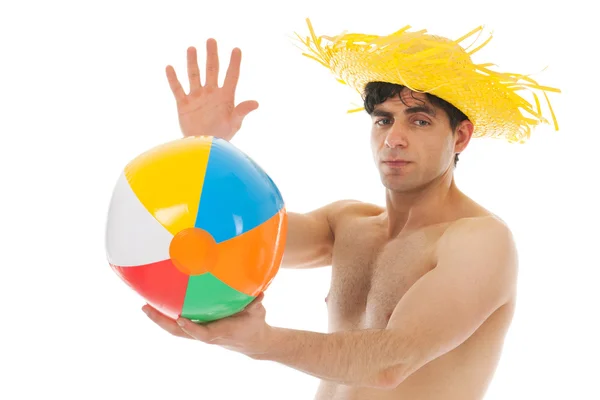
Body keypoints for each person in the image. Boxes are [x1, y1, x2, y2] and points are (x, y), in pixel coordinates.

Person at [142, 19, 559, 400]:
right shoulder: (348, 224)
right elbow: (235, 239)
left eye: (419, 121)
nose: (394, 139)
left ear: (461, 136)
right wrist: (209, 146)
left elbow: (393, 360)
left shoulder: (479, 239)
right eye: (383, 120)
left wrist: (262, 341)